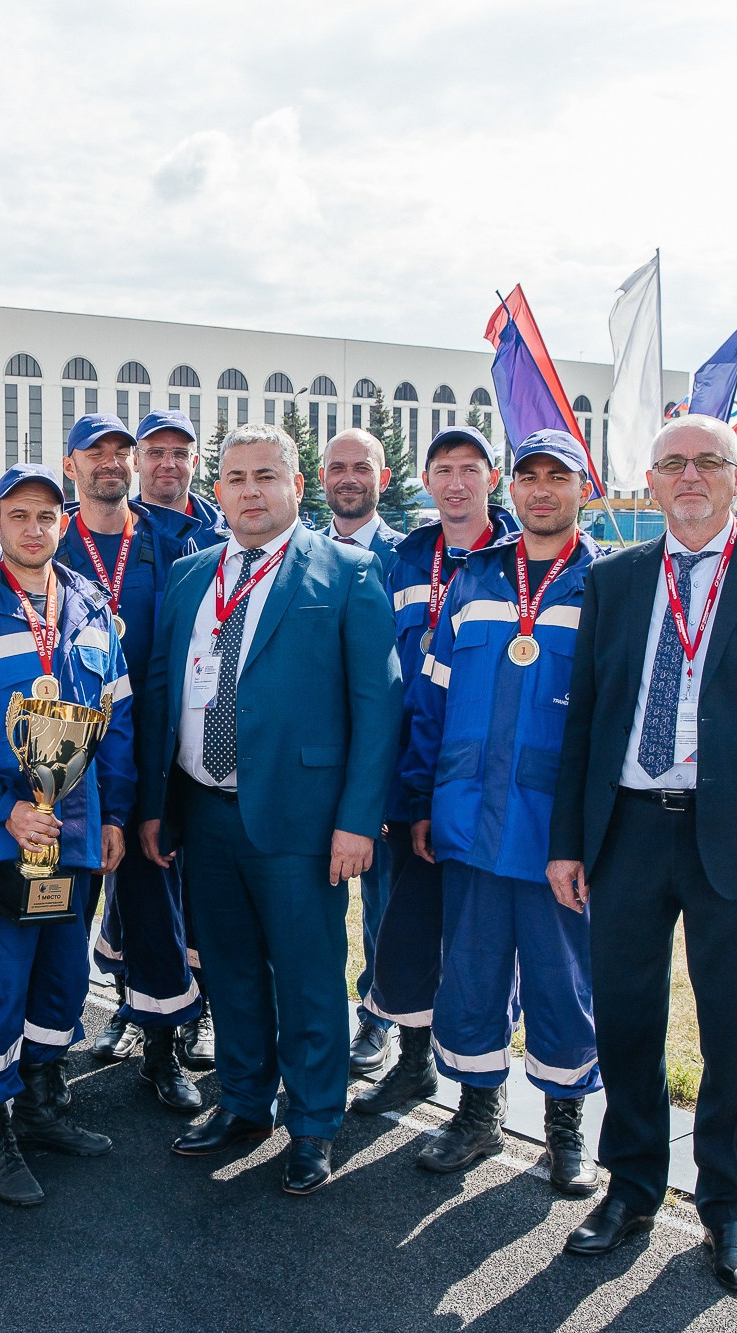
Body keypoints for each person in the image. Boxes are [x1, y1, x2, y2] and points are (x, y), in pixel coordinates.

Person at [549, 414, 737, 1297]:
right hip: (628, 831)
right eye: (672, 463)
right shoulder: (618, 577)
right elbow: (588, 720)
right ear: (651, 478)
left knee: (730, 1035)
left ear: (736, 474)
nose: (689, 477)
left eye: (707, 461)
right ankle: (631, 1188)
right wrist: (568, 840)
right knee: (628, 1022)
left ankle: (728, 1208)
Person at [137, 423, 402, 1196]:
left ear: (296, 486)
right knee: (230, 970)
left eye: (266, 476)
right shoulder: (190, 576)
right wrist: (157, 804)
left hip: (305, 821)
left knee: (310, 975)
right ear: (218, 491)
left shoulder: (347, 574)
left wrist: (358, 819)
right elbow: (161, 692)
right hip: (205, 810)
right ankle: (245, 1101)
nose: (250, 490)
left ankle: (315, 1121)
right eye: (237, 477)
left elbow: (378, 707)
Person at [0, 463, 133, 1206]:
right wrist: (2, 807)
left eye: (46, 515)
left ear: (62, 523)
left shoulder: (93, 610)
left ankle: (41, 1103)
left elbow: (119, 723)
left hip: (73, 837)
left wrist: (113, 814)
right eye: (18, 515)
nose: (33, 528)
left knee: (64, 980)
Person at [396, 431, 602, 1197]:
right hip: (467, 817)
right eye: (529, 478)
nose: (542, 491)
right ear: (511, 489)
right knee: (471, 975)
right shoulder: (476, 578)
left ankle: (565, 1129)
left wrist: (589, 832)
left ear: (586, 488)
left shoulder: (605, 585)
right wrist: (419, 797)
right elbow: (431, 699)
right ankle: (477, 1113)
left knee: (563, 981)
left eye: (558, 478)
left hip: (557, 831)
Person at [356, 425, 517, 1116]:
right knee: (407, 929)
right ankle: (415, 1065)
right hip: (410, 776)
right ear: (424, 480)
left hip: (489, 784)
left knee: (484, 945)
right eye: (442, 468)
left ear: (493, 476)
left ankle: (485, 1099)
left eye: (469, 468)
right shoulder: (403, 557)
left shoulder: (519, 557)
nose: (455, 481)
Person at [59, 413, 202, 1113]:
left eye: (122, 451)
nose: (111, 462)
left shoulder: (174, 538)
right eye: (97, 452)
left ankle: (161, 1049)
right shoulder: (47, 537)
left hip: (151, 756)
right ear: (72, 466)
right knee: (60, 907)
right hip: (62, 758)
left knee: (154, 905)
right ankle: (44, 1055)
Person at [319, 427, 407, 1080]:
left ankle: (377, 1019)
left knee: (383, 904)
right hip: (312, 762)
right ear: (321, 478)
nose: (350, 477)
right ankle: (310, 1018)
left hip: (380, 763)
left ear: (382, 476)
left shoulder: (407, 559)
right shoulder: (299, 556)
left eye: (362, 467)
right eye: (338, 466)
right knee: (308, 902)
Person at [135, 409, 226, 546]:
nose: (168, 464)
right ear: (136, 460)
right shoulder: (115, 530)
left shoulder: (226, 532)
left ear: (194, 463)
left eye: (180, 454)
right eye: (156, 453)